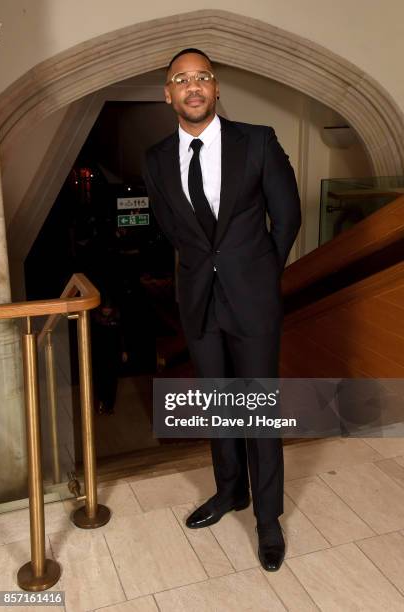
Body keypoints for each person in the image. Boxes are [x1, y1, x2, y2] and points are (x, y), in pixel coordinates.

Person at [143, 48, 301, 571]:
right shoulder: (155, 159)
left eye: (202, 77)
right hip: (197, 301)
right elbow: (173, 229)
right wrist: (204, 272)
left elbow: (288, 216)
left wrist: (258, 275)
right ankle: (230, 492)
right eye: (181, 80)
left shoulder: (257, 141)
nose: (193, 87)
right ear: (168, 94)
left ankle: (268, 519)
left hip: (253, 302)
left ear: (216, 89)